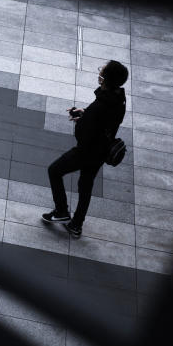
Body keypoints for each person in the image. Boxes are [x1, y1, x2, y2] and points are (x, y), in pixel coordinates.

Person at [42, 60, 128, 239]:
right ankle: (76, 224)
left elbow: (83, 135)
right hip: (101, 152)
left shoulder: (99, 106)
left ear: (105, 79)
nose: (100, 72)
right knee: (85, 186)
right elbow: (105, 119)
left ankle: (61, 211)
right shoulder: (119, 99)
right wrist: (86, 114)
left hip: (86, 152)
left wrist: (81, 120)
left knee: (54, 170)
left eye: (102, 71)